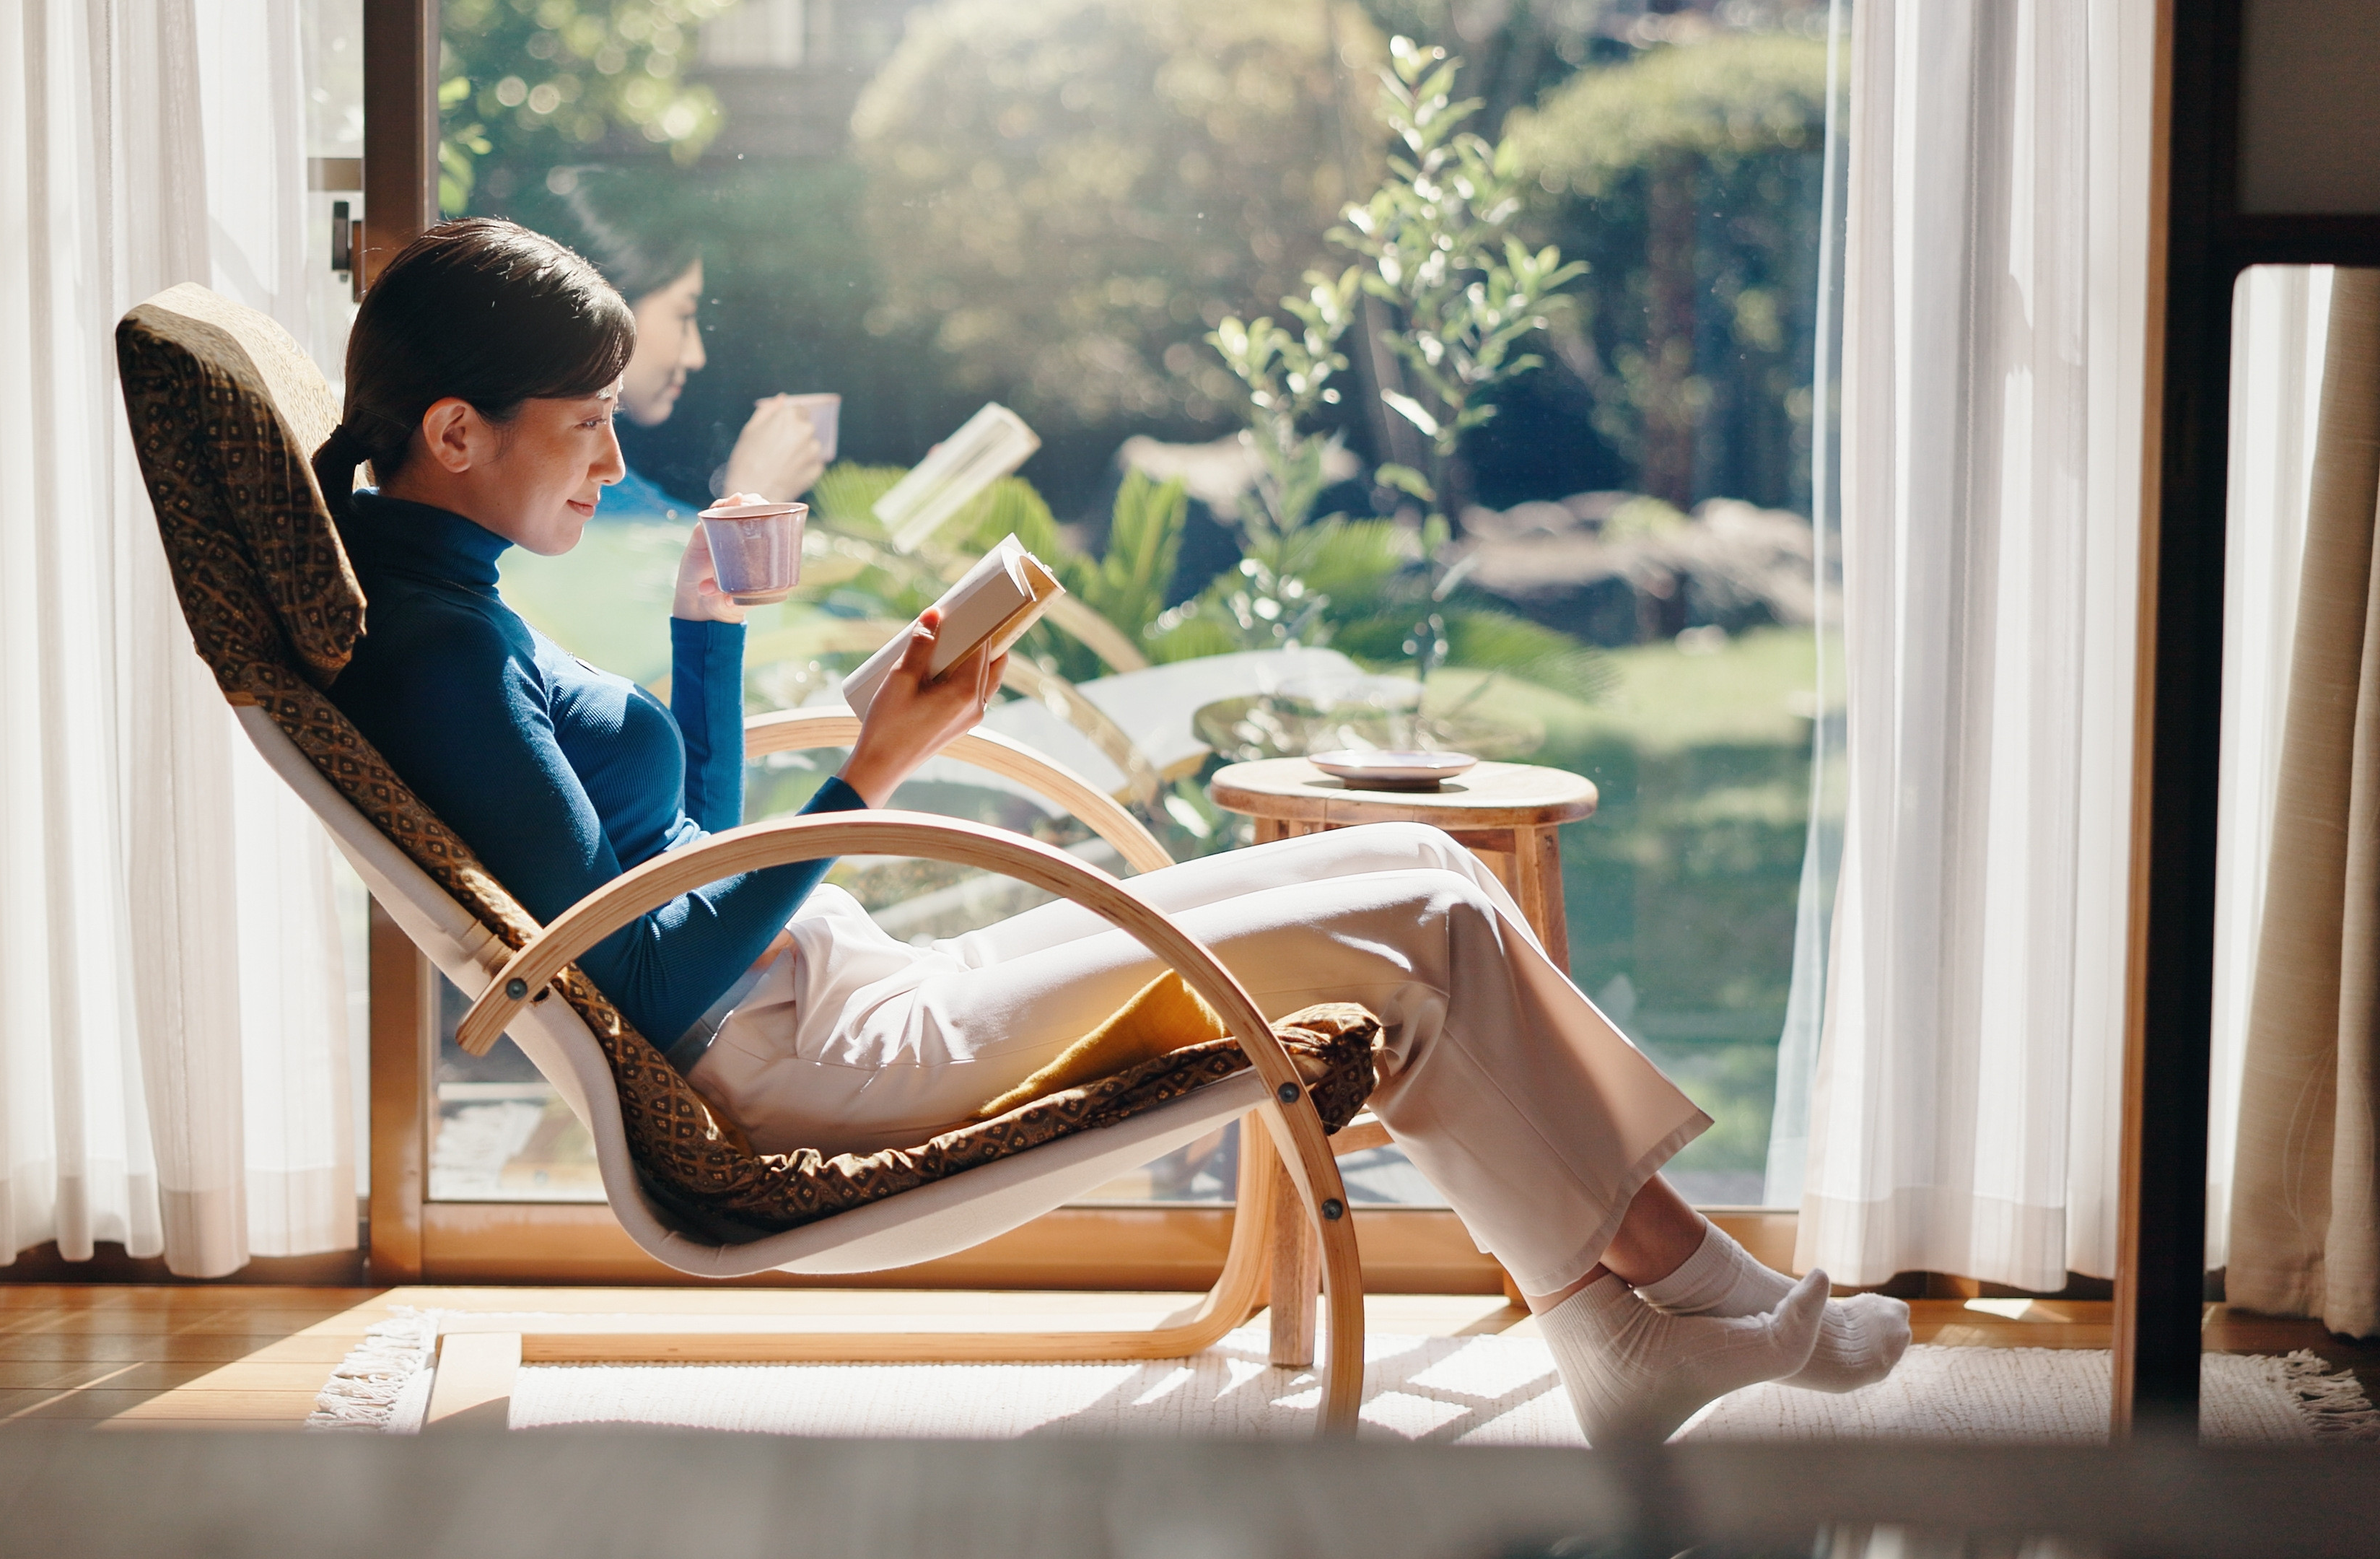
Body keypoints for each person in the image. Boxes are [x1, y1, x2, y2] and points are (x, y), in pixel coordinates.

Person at [314, 218, 1910, 1446]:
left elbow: (656, 855)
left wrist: (707, 621)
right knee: (1414, 929)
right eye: (581, 419)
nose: (610, 451)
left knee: (1427, 872)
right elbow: (649, 982)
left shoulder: (449, 606)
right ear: (457, 432)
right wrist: (867, 780)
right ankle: (1675, 1292)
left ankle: (1618, 1321)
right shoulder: (443, 656)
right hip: (815, 1063)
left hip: (826, 985)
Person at [537, 170, 826, 523]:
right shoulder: (567, 502)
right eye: (684, 314)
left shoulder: (608, 489)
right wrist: (753, 503)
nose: (696, 357)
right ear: (606, 308)